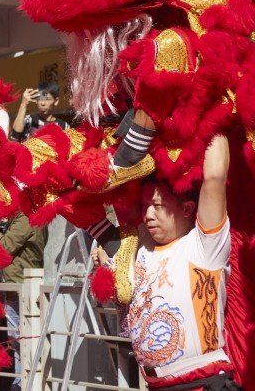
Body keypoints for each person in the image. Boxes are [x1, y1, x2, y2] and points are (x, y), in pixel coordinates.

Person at [91, 135, 238, 390]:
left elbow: (214, 175)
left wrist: (210, 111)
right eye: (145, 205)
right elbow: (119, 189)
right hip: (155, 385)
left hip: (201, 382)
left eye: (157, 205)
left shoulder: (203, 248)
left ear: (187, 208)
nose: (148, 214)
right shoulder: (140, 246)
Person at [0, 212, 47, 391]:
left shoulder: (27, 216)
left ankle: (24, 385)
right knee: (17, 345)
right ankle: (20, 384)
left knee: (23, 344)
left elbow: (3, 247)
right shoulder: (23, 215)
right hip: (16, 289)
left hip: (21, 291)